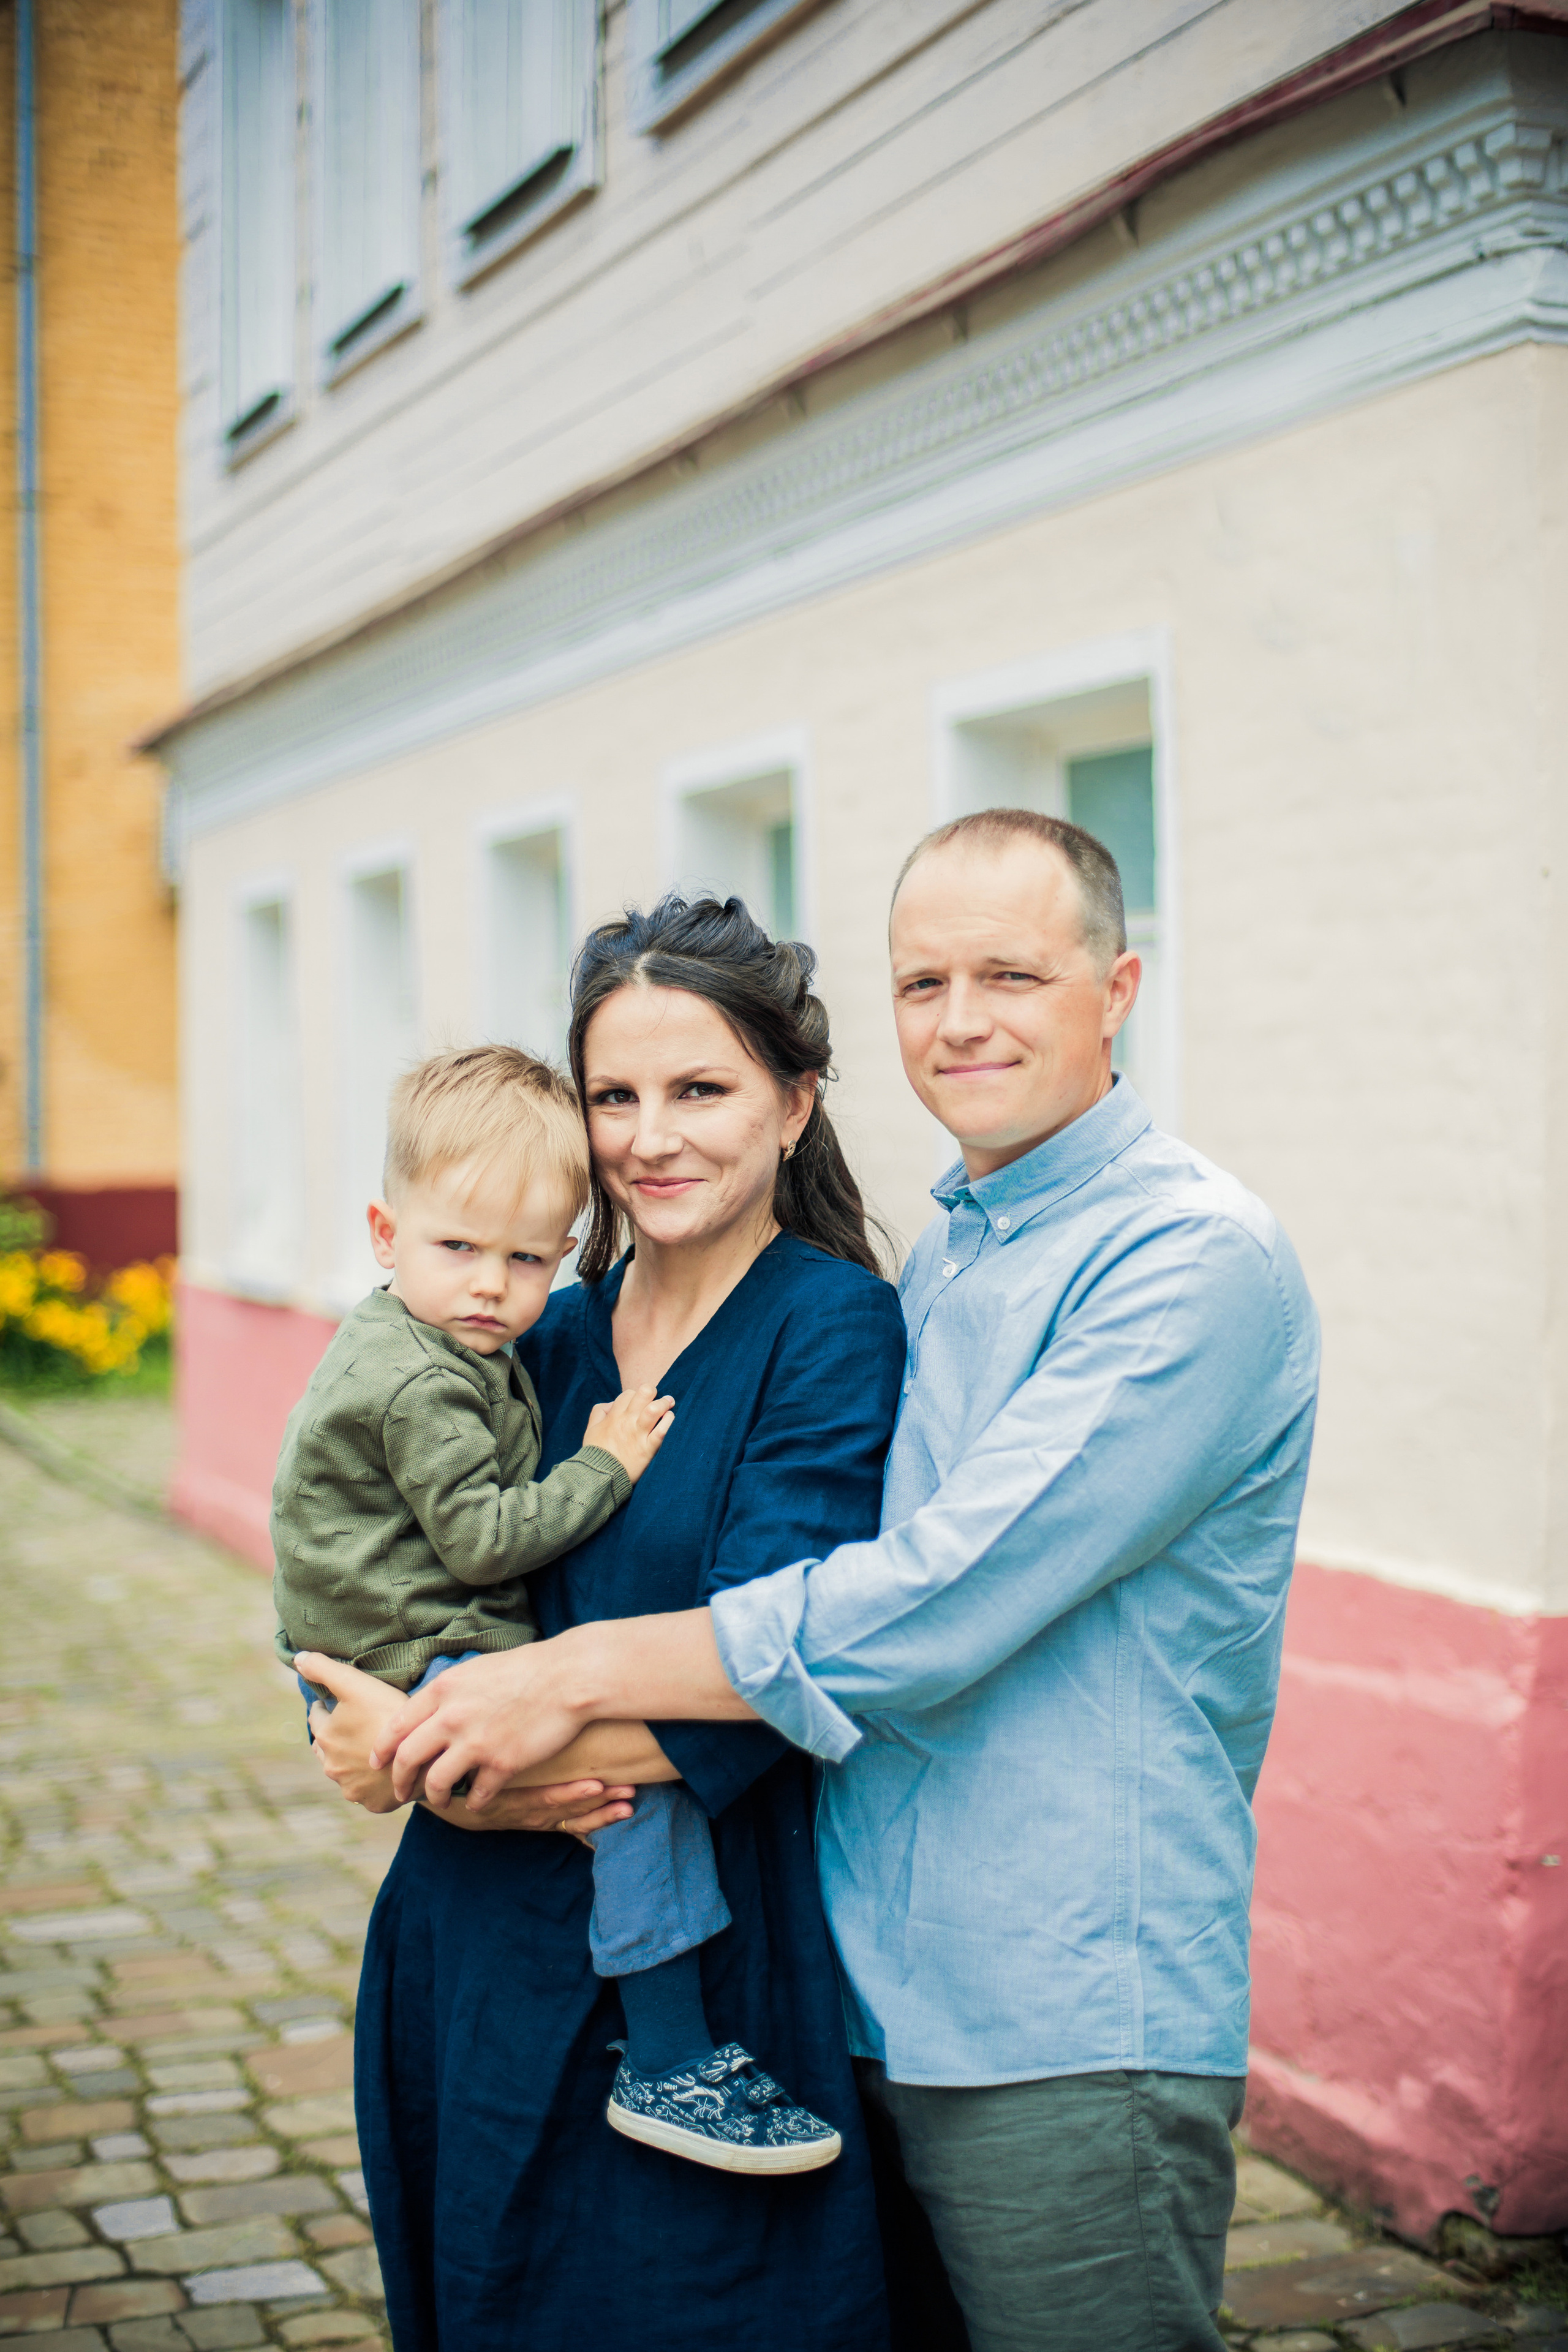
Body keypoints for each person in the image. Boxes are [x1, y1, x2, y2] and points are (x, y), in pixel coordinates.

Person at [372, 810, 1323, 2352]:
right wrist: (383, 1713)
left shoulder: (1185, 1259)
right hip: (851, 1971)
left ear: (1116, 988)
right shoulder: (949, 1254)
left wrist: (542, 1688)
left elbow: (935, 1599)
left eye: (1010, 975)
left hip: (1055, 1997)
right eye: (922, 983)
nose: (960, 1021)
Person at [301, 895, 907, 2350]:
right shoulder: (533, 1325)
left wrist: (449, 1755)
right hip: (473, 1948)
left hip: (693, 1978)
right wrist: (350, 1718)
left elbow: (769, 1670)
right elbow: (372, 1557)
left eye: (698, 1090)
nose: (648, 1138)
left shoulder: (828, 1330)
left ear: (794, 1103)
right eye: (612, 1095)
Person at [277, 1043, 840, 2171]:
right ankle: (671, 2058)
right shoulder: (436, 1372)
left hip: (393, 1642)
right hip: (411, 1649)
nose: (492, 1285)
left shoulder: (449, 1333)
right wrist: (606, 1465)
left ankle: (664, 2047)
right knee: (629, 1800)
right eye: (460, 1248)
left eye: (526, 1257)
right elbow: (483, 1540)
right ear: (386, 1234)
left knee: (608, 1786)